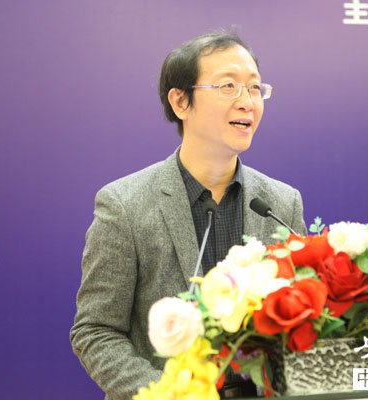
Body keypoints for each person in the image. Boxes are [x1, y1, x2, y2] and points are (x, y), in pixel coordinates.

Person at [70, 30, 307, 400]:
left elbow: (301, 320)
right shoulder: (125, 204)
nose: (247, 102)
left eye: (254, 88)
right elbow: (96, 331)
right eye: (228, 86)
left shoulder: (281, 202)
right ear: (181, 102)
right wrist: (165, 394)